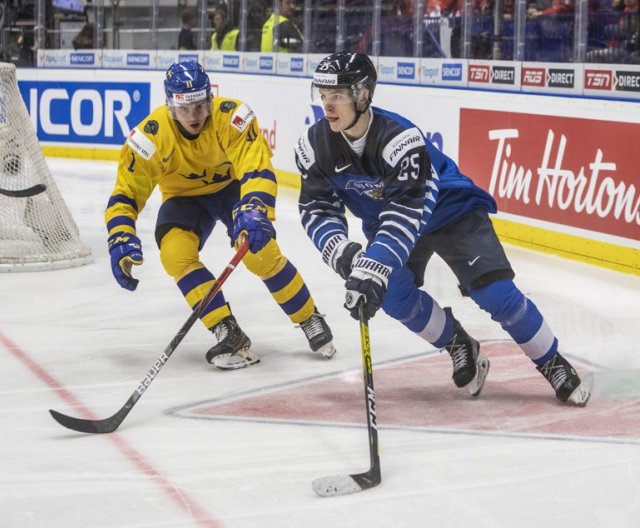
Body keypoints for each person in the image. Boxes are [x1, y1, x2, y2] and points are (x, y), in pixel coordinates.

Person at [295, 52, 591, 406]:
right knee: (390, 294)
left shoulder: (398, 138)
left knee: (494, 294)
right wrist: (343, 254)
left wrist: (374, 265)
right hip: (389, 222)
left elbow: (408, 210)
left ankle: (551, 360)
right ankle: (457, 343)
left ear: (363, 94)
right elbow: (317, 207)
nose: (328, 106)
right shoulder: (315, 145)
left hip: (450, 210)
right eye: (323, 96)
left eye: (338, 96)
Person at [105, 61, 335, 370]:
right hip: (184, 200)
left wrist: (255, 207)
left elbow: (256, 167)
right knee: (175, 255)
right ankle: (227, 330)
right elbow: (126, 193)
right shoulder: (149, 138)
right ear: (170, 105)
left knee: (259, 253)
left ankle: (309, 317)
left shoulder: (233, 117)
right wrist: (119, 234)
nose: (194, 116)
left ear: (210, 98)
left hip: (233, 190)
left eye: (200, 106)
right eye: (185, 109)